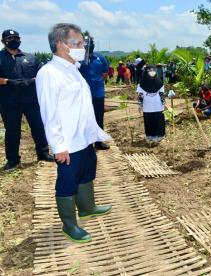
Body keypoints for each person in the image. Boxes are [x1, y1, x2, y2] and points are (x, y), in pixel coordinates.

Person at [35, 23, 112, 243]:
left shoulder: (74, 70)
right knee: (67, 183)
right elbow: (49, 115)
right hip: (68, 142)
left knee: (87, 173)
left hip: (84, 138)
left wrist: (94, 134)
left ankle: (87, 207)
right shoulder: (50, 73)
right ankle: (69, 225)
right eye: (77, 43)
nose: (82, 47)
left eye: (82, 43)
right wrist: (58, 146)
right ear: (60, 44)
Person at [0, 29, 53, 170]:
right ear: (3, 41)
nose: (14, 40)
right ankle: (13, 160)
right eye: (10, 38)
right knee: (12, 131)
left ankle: (43, 153)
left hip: (31, 100)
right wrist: (8, 81)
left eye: (16, 37)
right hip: (9, 102)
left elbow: (42, 74)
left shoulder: (30, 58)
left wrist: (32, 80)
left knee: (38, 126)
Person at [79, 34, 110, 150]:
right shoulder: (79, 58)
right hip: (82, 95)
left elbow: (105, 73)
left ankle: (98, 141)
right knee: (84, 118)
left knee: (98, 118)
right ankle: (85, 143)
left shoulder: (100, 57)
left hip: (98, 93)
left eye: (91, 42)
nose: (89, 45)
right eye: (86, 43)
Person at [136, 65, 166, 142]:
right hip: (147, 106)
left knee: (158, 120)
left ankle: (159, 135)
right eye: (149, 71)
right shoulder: (141, 84)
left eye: (153, 71)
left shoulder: (159, 82)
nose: (151, 73)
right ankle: (150, 135)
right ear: (146, 72)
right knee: (148, 120)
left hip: (158, 106)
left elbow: (162, 94)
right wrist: (140, 105)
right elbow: (140, 96)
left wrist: (164, 103)